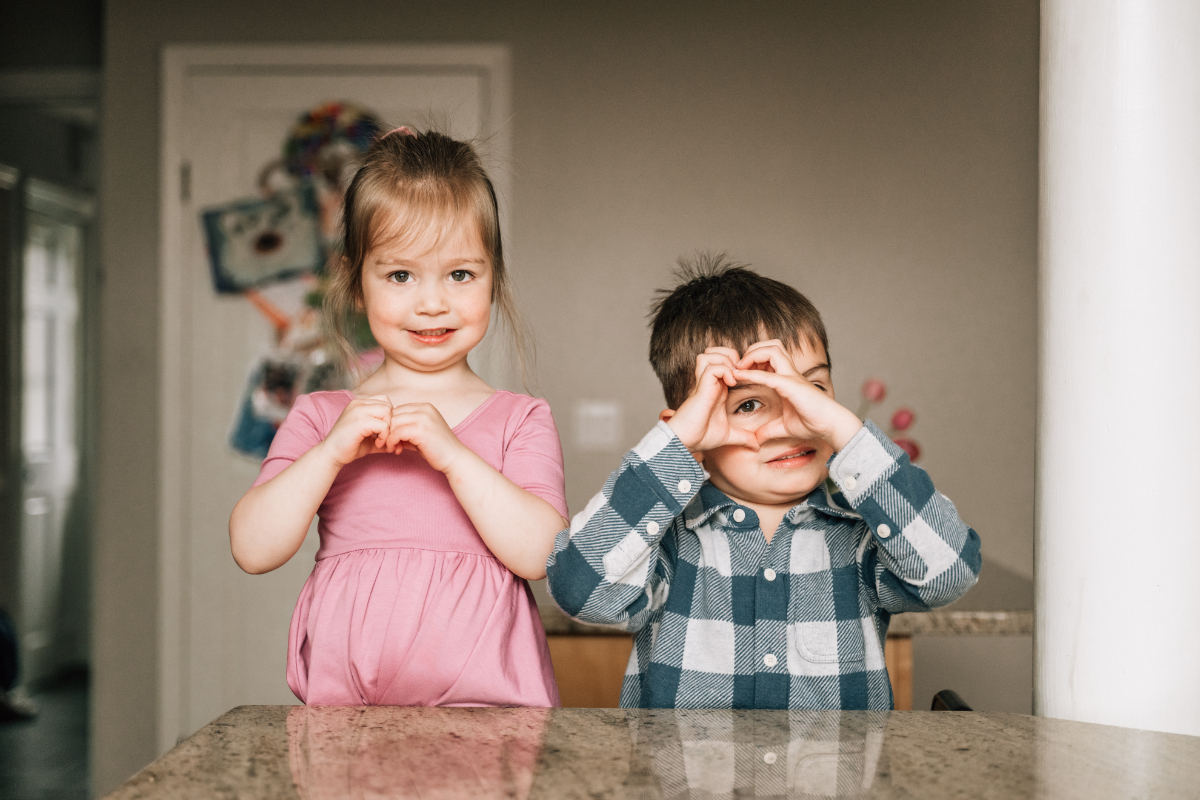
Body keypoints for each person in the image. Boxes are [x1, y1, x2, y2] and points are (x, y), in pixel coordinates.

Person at [545, 254, 980, 710]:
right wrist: (673, 447)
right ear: (693, 430)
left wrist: (848, 434)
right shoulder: (668, 546)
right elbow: (581, 589)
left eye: (808, 390)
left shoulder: (862, 539)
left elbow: (950, 571)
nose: (790, 425)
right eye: (749, 405)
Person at [229, 128, 568, 707]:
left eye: (460, 274)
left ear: (494, 279)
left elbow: (543, 558)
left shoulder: (520, 419)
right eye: (400, 275)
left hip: (489, 721)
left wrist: (455, 458)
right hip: (346, 720)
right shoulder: (321, 416)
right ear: (356, 283)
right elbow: (253, 549)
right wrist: (330, 453)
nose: (431, 302)